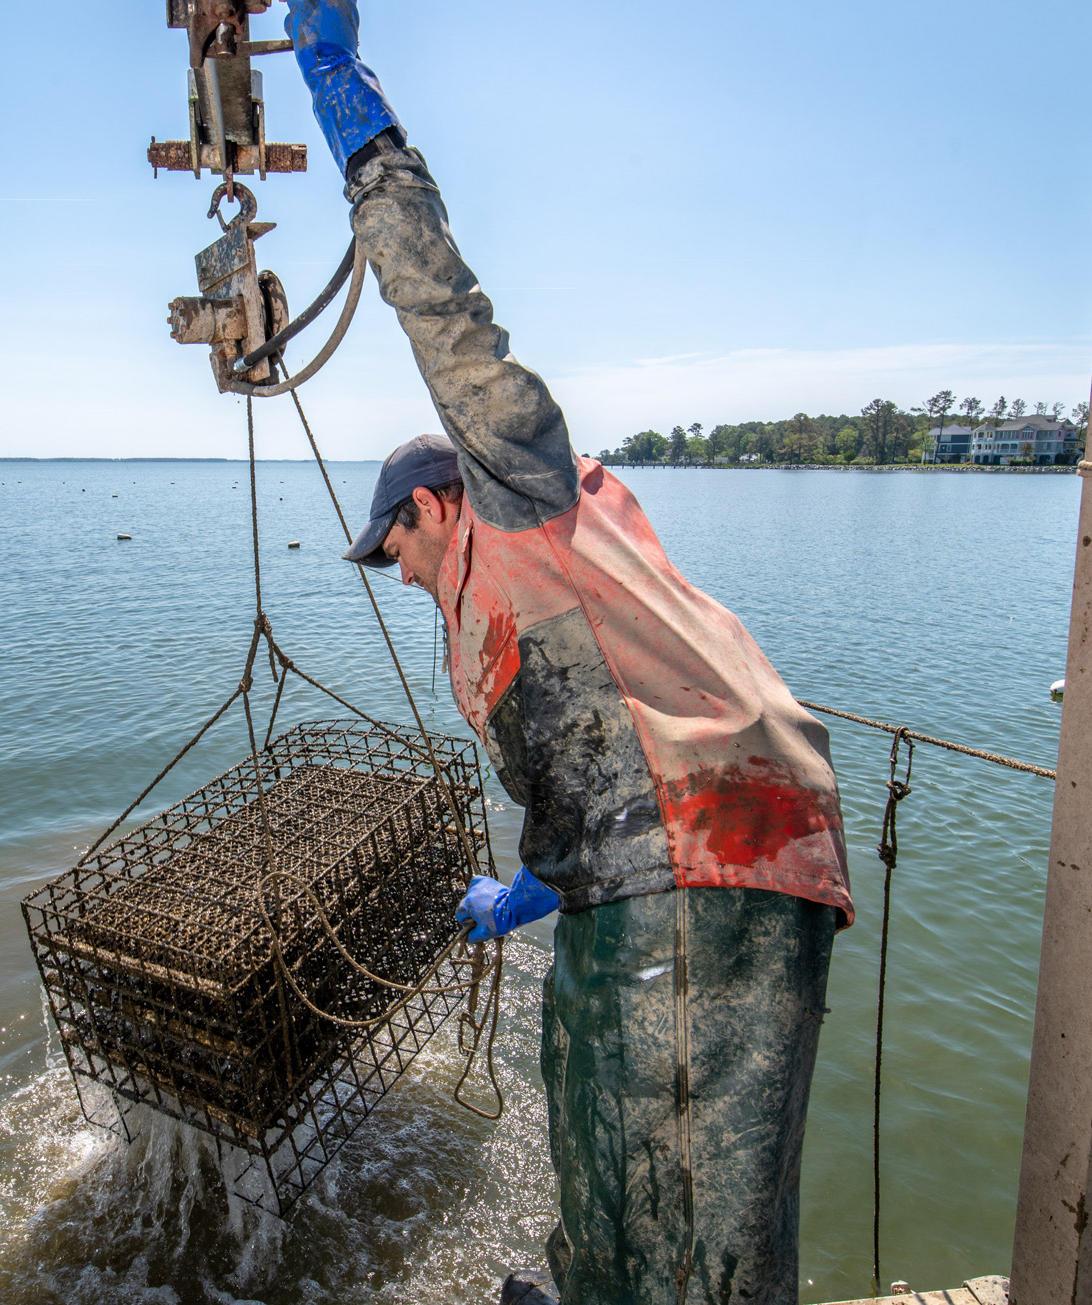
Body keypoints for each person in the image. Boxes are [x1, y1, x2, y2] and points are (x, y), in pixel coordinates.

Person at [284, 5, 853, 1303]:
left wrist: (349, 112)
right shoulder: (512, 609)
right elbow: (598, 785)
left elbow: (442, 307)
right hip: (662, 866)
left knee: (698, 1213)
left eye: (396, 551)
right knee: (594, 1083)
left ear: (433, 504)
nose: (400, 575)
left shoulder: (517, 480)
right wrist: (529, 893)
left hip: (715, 856)